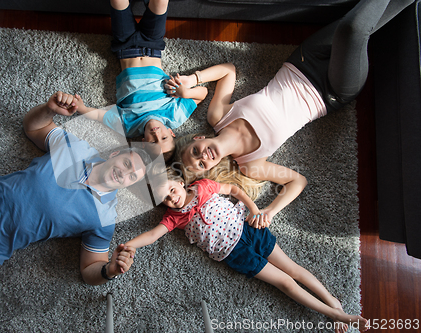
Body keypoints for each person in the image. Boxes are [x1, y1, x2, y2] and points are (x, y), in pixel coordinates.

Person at [170, 0, 415, 226]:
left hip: (304, 60)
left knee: (359, 28)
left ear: (198, 139)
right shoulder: (251, 165)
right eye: (202, 164)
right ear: (210, 169)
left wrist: (193, 79)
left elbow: (229, 71)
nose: (205, 156)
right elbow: (297, 181)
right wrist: (270, 211)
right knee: (352, 30)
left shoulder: (218, 117)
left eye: (195, 152)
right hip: (330, 93)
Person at [0, 91, 152, 286]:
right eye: (127, 163)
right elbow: (33, 127)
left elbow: (89, 268)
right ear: (115, 154)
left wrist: (108, 271)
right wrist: (49, 109)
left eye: (132, 176)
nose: (124, 173)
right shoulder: (77, 147)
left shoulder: (105, 217)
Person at [124, 168, 369, 333]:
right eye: (164, 199)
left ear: (180, 182)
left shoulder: (203, 187)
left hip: (250, 228)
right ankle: (335, 314)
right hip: (234, 254)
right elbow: (154, 233)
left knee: (294, 269)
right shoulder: (173, 218)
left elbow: (233, 190)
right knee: (284, 283)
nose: (171, 198)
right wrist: (130, 245)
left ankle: (332, 301)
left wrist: (254, 209)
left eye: (172, 190)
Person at [74, 0, 210, 160]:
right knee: (160, 2)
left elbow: (101, 116)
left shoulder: (129, 127)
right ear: (171, 133)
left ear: (144, 142)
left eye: (153, 142)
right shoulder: (174, 116)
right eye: (164, 138)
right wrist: (185, 93)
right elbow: (203, 93)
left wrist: (81, 109)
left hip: (124, 47)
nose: (157, 134)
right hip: (152, 45)